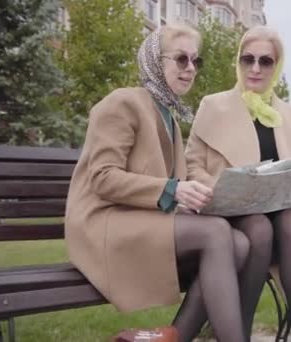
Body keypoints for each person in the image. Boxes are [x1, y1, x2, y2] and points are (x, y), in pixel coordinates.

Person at [64, 24, 248, 342]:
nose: (190, 68)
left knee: (241, 244)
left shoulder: (170, 116)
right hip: (102, 223)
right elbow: (102, 178)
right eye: (180, 59)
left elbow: (173, 187)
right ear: (153, 61)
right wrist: (173, 189)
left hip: (140, 222)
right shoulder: (122, 102)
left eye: (195, 61)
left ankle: (173, 336)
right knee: (217, 233)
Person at [185, 25, 291, 342]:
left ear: (276, 66)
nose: (255, 68)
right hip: (229, 216)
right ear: (238, 61)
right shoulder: (214, 105)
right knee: (259, 228)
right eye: (248, 59)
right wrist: (213, 189)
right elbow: (192, 163)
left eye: (266, 61)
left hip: (282, 220)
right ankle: (238, 334)